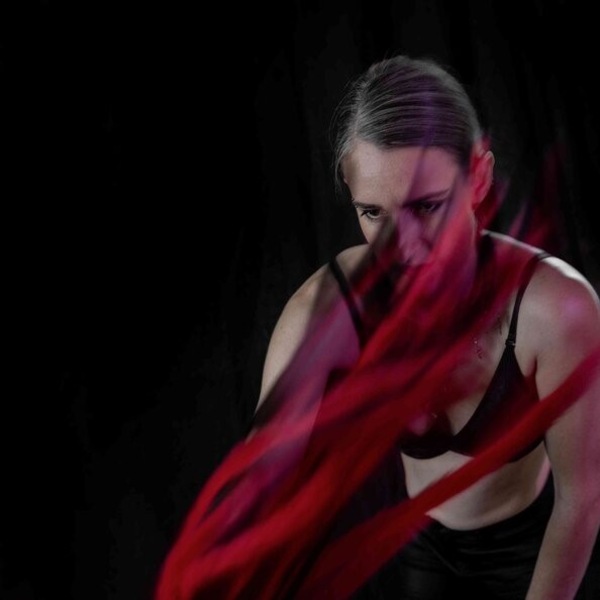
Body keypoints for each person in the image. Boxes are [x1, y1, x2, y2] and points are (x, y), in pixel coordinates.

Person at [155, 55, 600, 600]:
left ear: (479, 177)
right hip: (420, 546)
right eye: (372, 213)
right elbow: (264, 476)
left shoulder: (556, 309)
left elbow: (582, 499)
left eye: (428, 206)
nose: (402, 247)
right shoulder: (330, 307)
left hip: (533, 547)